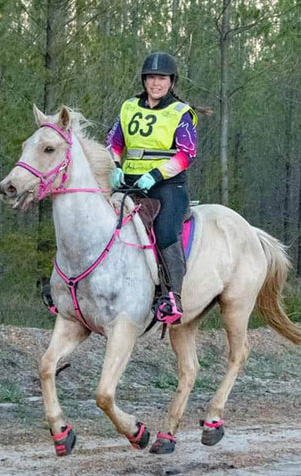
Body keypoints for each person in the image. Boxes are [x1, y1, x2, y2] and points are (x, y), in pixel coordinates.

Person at [106, 51, 198, 325]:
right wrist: (114, 166)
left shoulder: (181, 113)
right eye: (150, 78)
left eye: (161, 78)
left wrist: (156, 174)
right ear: (144, 80)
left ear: (171, 82)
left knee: (165, 230)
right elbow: (114, 141)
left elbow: (186, 154)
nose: (155, 83)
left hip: (167, 185)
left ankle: (172, 296)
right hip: (129, 182)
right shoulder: (129, 107)